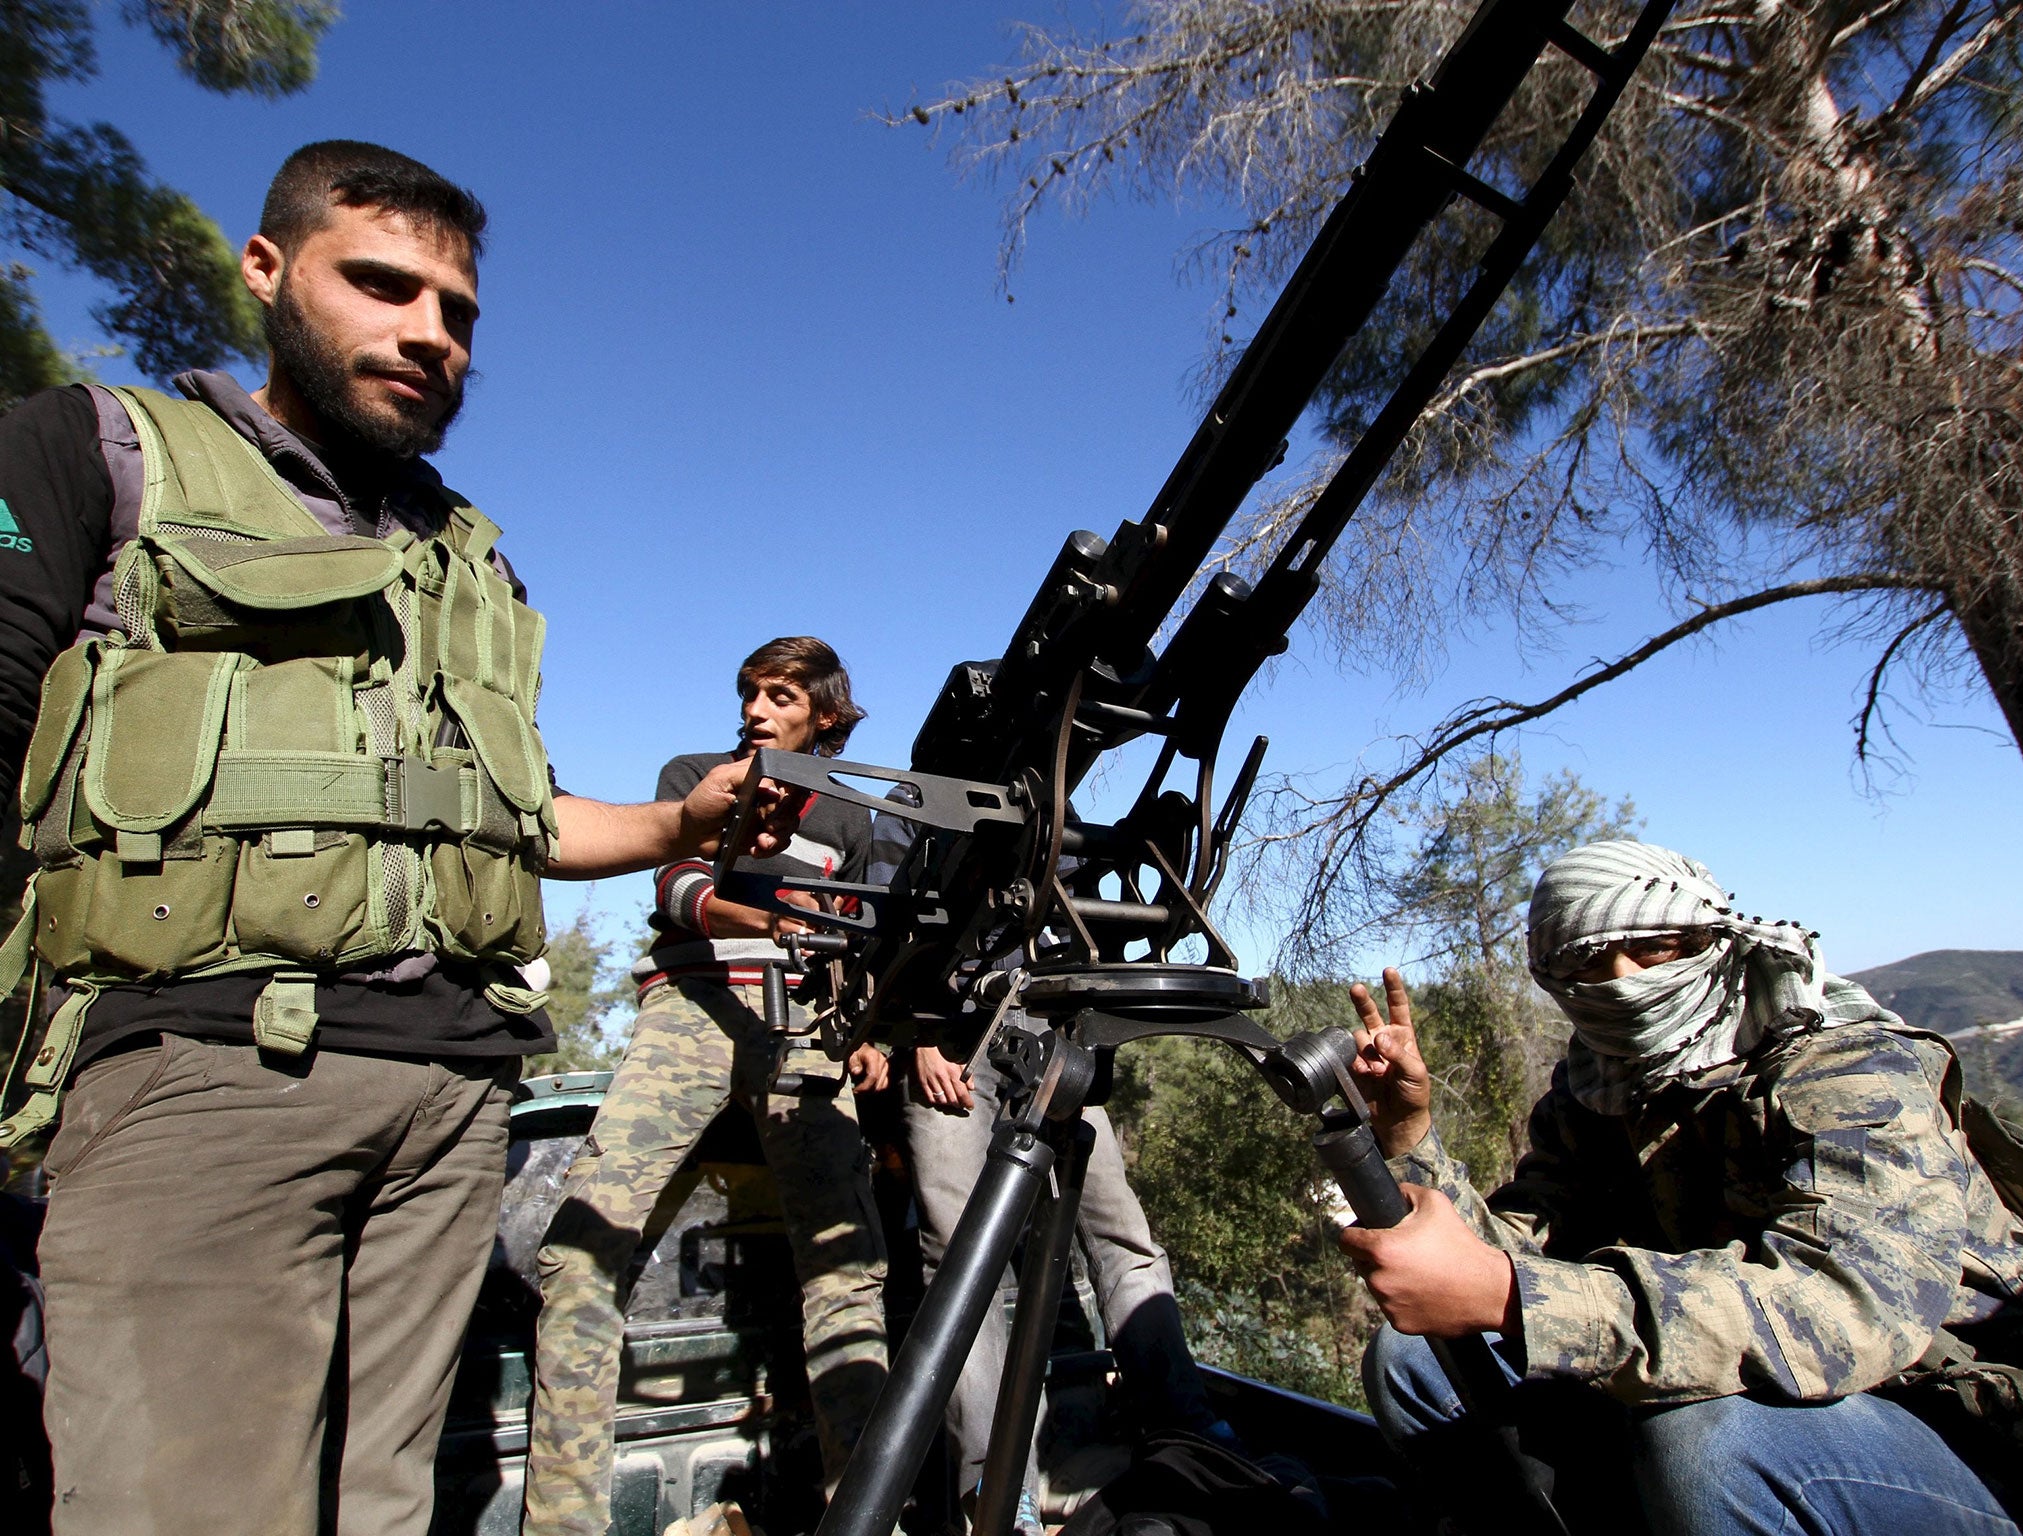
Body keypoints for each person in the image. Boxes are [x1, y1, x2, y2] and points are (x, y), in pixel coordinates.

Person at [0, 140, 787, 1536]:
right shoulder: (93, 451)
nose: (429, 333)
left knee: (382, 1515)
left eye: (459, 312)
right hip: (205, 1079)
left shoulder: (474, 558)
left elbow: (520, 815)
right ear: (265, 270)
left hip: (450, 1118)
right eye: (382, 284)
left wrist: (678, 819)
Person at [1340, 838, 2023, 1534]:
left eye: (1652, 946)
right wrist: (1409, 1135)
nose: (1620, 979)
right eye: (1584, 962)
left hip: (1964, 1438)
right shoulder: (1602, 1087)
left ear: (1714, 938)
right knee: (1418, 1360)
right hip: (1762, 1396)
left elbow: (1845, 1309)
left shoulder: (1846, 1067)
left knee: (1712, 1439)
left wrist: (1514, 1297)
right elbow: (1509, 1254)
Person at [524, 636, 894, 1536]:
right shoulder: (698, 774)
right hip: (690, 1007)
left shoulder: (856, 818)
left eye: (779, 696)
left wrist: (869, 1024)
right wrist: (782, 919)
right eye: (749, 693)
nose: (755, 711)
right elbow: (681, 888)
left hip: (801, 1025)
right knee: (579, 1257)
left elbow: (864, 935)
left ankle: (868, 1516)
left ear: (826, 716)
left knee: (848, 1277)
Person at [876, 810, 1223, 1536]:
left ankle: (1184, 1431)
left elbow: (1088, 912)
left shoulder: (1057, 825)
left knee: (1121, 1234)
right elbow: (890, 930)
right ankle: (998, 1488)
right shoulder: (914, 819)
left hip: (1055, 1041)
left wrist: (1153, 837)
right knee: (961, 1263)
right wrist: (922, 1033)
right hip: (954, 1053)